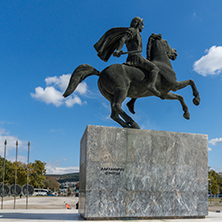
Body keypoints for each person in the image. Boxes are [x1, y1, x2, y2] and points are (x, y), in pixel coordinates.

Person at [94, 17, 161, 97]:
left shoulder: (137, 33)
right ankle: (151, 86)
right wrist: (118, 50)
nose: (143, 27)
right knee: (155, 68)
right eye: (142, 24)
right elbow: (123, 39)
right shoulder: (133, 31)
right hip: (136, 58)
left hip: (135, 57)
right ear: (138, 24)